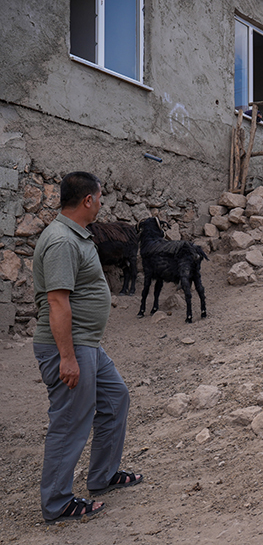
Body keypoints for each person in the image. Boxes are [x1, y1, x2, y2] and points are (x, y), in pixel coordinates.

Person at [32, 171, 142, 523]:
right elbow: (58, 303)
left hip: (87, 343)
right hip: (70, 347)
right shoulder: (62, 241)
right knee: (70, 421)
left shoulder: (76, 236)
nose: (102, 204)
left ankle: (103, 476)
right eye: (100, 198)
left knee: (115, 398)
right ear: (88, 200)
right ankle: (57, 503)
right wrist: (67, 358)